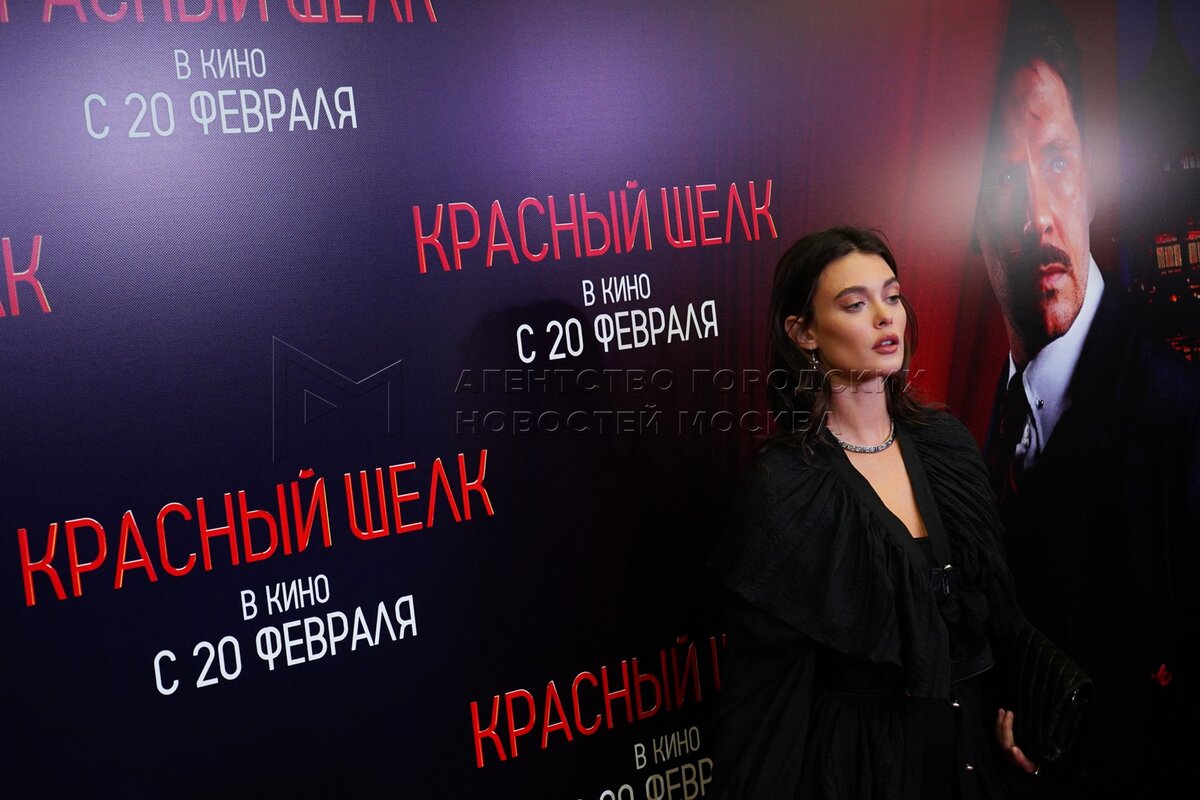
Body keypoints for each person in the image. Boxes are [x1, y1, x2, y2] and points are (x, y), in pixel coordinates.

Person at [709, 227, 1028, 800]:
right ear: (803, 333)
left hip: (974, 758)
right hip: (862, 769)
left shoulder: (947, 445)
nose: (886, 317)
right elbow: (764, 696)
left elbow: (998, 612)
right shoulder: (786, 488)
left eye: (893, 296)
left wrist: (1016, 707)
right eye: (855, 304)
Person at [972, 1, 1200, 795]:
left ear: (1095, 180)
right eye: (1006, 178)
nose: (1038, 213)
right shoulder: (983, 428)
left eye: (1058, 162)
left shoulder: (1178, 414)